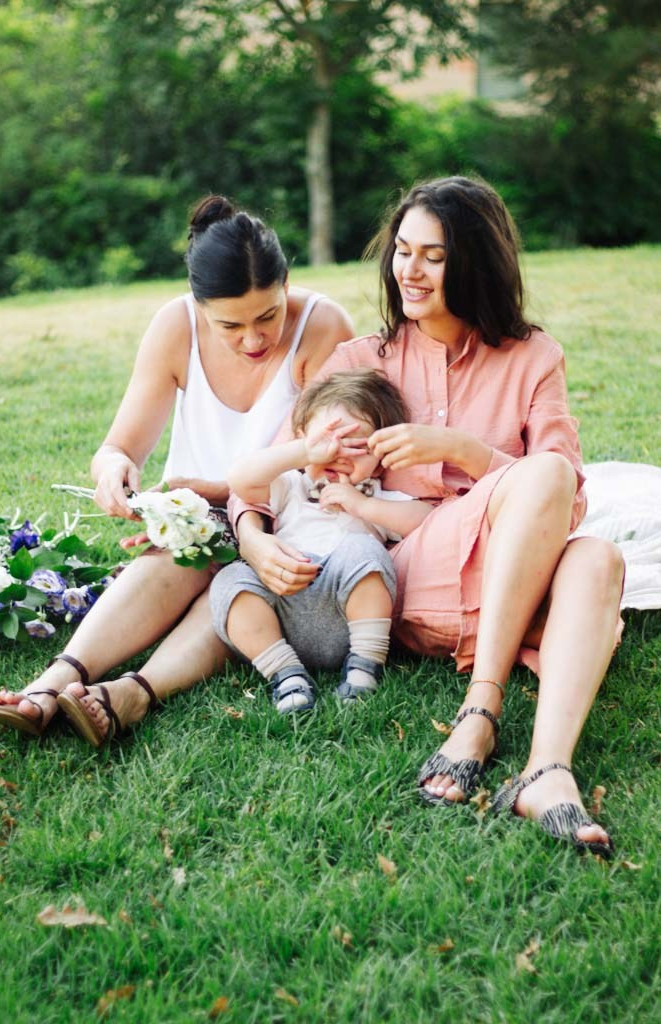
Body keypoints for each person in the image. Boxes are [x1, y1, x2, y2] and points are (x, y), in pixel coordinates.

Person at [233, 176, 624, 857]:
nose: (407, 270)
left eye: (432, 256)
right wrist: (251, 536)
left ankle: (546, 769)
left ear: (475, 262)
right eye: (401, 251)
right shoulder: (361, 362)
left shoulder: (534, 357)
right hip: (405, 578)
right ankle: (479, 711)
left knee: (597, 556)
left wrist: (465, 453)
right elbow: (270, 472)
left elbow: (566, 492)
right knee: (549, 493)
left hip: (505, 576)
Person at [0, 195, 354, 745]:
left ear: (286, 283)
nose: (253, 339)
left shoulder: (323, 326)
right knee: (189, 556)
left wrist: (221, 494)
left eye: (268, 316)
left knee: (231, 577)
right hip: (196, 525)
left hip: (290, 523)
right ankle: (56, 681)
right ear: (198, 304)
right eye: (230, 325)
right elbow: (120, 445)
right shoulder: (174, 326)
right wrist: (114, 471)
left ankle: (132, 692)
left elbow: (331, 468)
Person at [210, 370, 432, 713]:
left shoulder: (374, 498)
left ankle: (365, 665)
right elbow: (240, 479)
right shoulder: (289, 485)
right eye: (327, 442)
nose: (338, 454)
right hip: (281, 608)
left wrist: (364, 506)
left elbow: (426, 521)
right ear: (301, 439)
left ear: (380, 457)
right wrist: (304, 452)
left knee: (363, 551)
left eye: (357, 447)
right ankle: (285, 674)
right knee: (229, 582)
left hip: (348, 619)